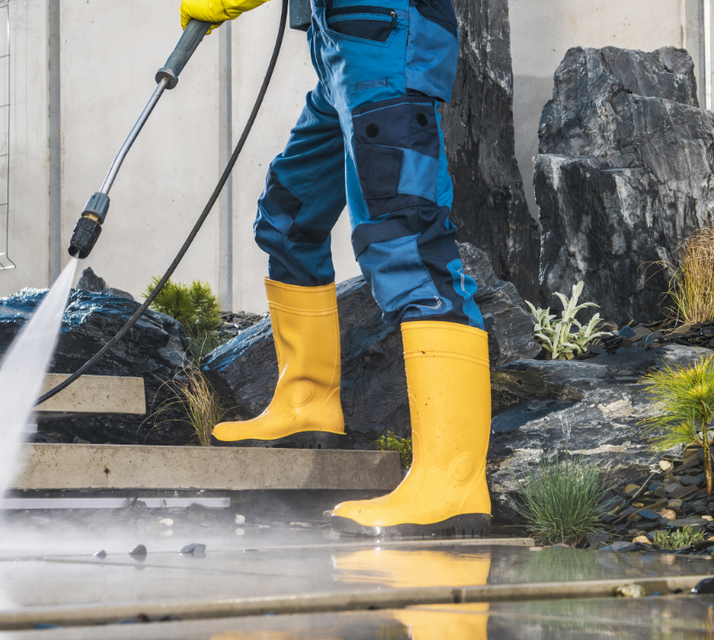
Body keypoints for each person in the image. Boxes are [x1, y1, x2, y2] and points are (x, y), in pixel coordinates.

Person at [180, 0, 491, 538]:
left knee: (407, 244)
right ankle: (305, 403)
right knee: (287, 218)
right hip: (339, 49)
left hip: (386, 40)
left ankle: (451, 482)